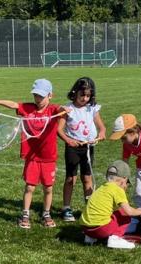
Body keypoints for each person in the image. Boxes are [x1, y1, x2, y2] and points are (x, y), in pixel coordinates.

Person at [0, 79, 63, 229]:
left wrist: (67, 109)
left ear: (50, 95)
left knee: (48, 188)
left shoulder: (53, 110)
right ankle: (25, 214)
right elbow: (15, 105)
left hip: (48, 158)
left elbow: (62, 109)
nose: (38, 99)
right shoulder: (28, 108)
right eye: (36, 96)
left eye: (41, 96)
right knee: (30, 187)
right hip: (32, 157)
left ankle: (46, 213)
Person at [57, 77, 106, 222]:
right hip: (73, 148)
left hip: (88, 147)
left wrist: (102, 133)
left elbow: (101, 126)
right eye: (82, 95)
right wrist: (69, 141)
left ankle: (89, 207)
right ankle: (66, 208)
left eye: (88, 96)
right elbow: (59, 130)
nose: (85, 98)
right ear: (74, 93)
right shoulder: (68, 109)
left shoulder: (92, 108)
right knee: (71, 178)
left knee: (87, 178)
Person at [80, 160, 141, 249]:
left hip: (86, 228)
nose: (126, 186)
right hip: (101, 229)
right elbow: (129, 211)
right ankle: (115, 239)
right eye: (127, 183)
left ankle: (90, 238)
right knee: (124, 215)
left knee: (114, 213)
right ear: (124, 179)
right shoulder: (117, 189)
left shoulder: (102, 187)